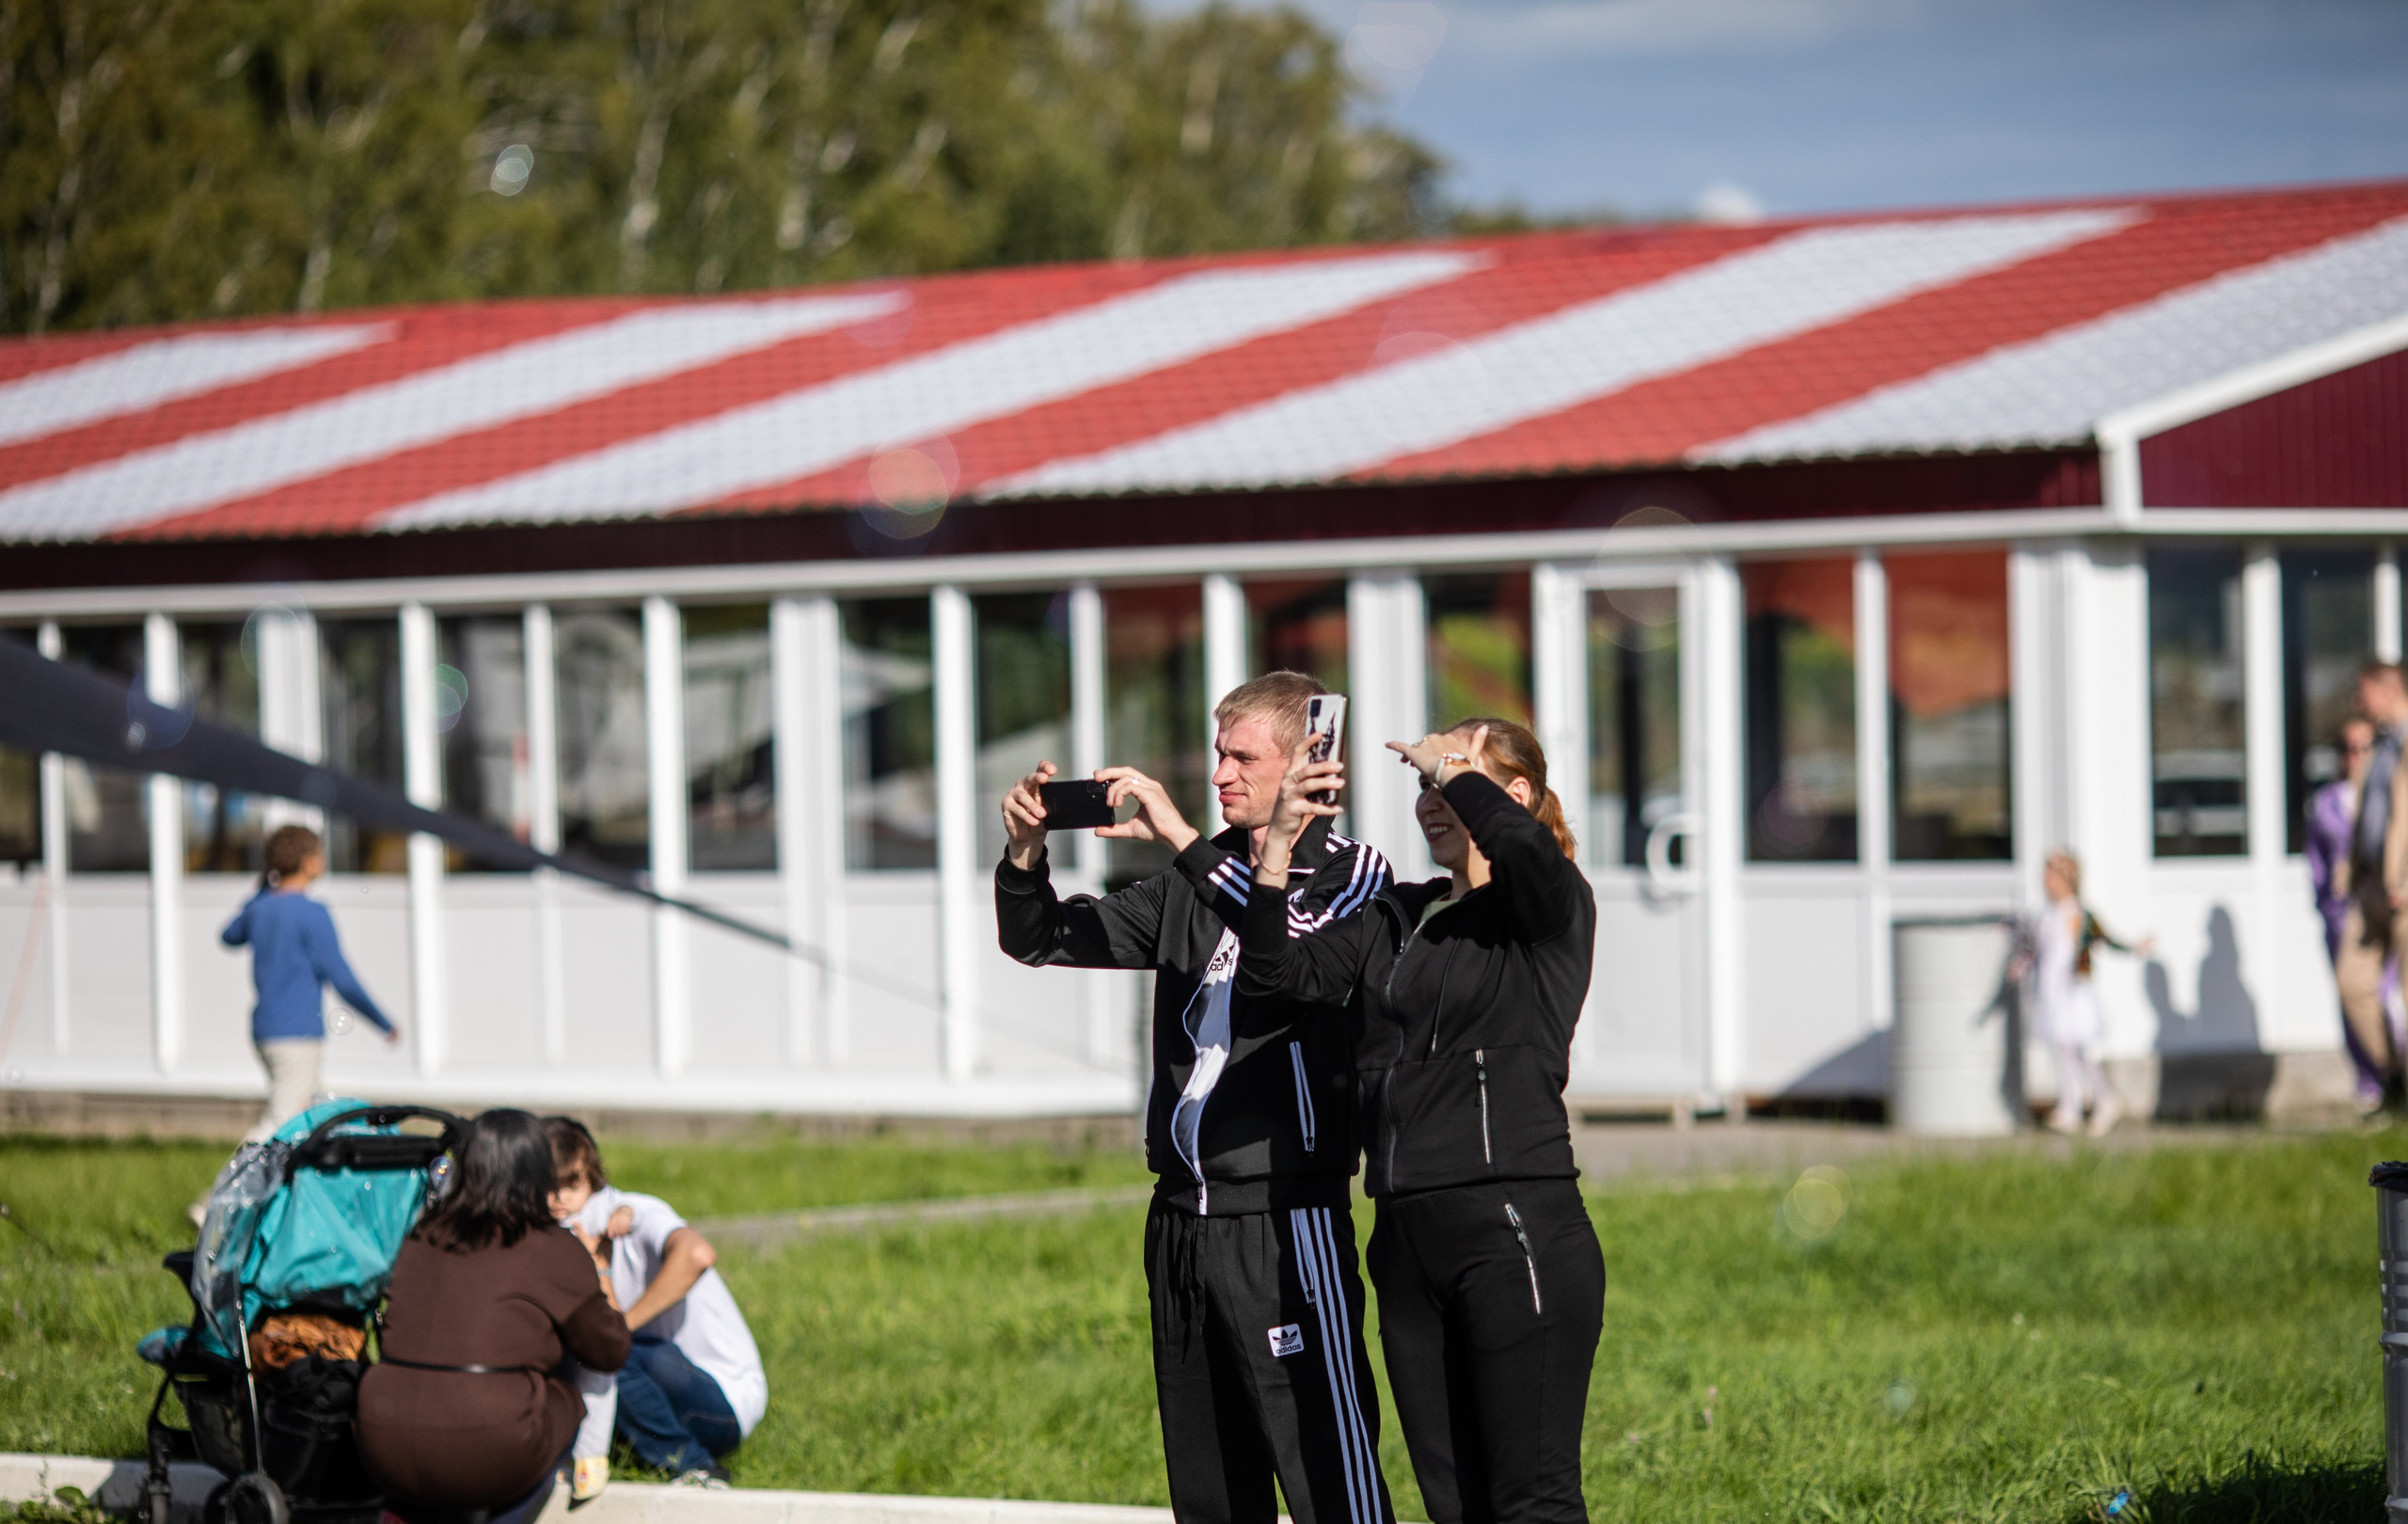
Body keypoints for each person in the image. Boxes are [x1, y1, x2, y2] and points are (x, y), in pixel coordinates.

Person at [995, 670, 1396, 1524]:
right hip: (1180, 1220)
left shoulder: (1355, 875)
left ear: (1308, 765)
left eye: (1244, 758)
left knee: (1329, 1477)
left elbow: (1282, 959)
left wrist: (1178, 835)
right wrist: (1024, 855)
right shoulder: (1190, 882)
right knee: (1209, 1490)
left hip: (1283, 1220)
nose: (1220, 775)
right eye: (1218, 755)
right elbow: (1041, 939)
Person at [1228, 717, 1603, 1524]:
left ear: (1515, 794)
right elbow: (1275, 972)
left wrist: (1453, 766)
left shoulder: (1544, 909)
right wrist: (1278, 848)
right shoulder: (1400, 916)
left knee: (1529, 1500)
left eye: (1449, 779)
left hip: (1512, 1226)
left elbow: (1529, 853)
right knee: (1453, 1502)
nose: (1430, 796)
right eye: (1425, 784)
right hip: (1403, 1236)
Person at [356, 1109, 630, 1524]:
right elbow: (608, 1352)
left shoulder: (420, 1234)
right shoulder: (551, 1246)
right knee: (566, 1399)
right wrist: (602, 1270)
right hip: (488, 1442)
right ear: (540, 1170)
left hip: (380, 1432)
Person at [544, 1117, 766, 1487]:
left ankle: (694, 1466)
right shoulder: (563, 1236)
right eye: (547, 1186)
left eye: (571, 1183)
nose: (558, 1199)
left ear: (594, 1179)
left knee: (604, 1346)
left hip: (722, 1401)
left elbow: (697, 1254)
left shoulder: (629, 1212)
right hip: (661, 1385)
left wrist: (623, 1327)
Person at [219, 823, 401, 1143]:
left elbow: (229, 934)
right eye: (319, 851)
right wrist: (383, 1023)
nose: (323, 858)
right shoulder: (312, 913)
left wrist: (264, 887)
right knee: (279, 1124)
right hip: (296, 1035)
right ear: (307, 862)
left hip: (266, 1031)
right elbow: (342, 979)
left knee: (309, 1116)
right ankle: (229, 1190)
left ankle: (295, 1190)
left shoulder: (261, 908)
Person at [2306, 716, 2397, 1111]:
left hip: (2386, 905)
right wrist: (2328, 906)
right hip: (2345, 914)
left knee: (2392, 997)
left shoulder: (2388, 792)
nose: (2355, 756)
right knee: (2353, 993)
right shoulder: (2326, 803)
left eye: (2363, 748)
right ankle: (2373, 1080)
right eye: (2347, 748)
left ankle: (2396, 1075)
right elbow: (2316, 864)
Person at [2024, 849, 2147, 1135]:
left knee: (2076, 1049)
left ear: (2066, 879)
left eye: (2051, 876)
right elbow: (2037, 951)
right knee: (2064, 1050)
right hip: (2053, 991)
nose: (2046, 882)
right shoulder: (2046, 915)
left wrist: (2134, 948)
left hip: (2073, 992)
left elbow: (2105, 939)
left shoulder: (2078, 915)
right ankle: (2071, 1106)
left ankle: (2103, 1099)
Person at [2340, 659, 2408, 1106]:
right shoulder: (2380, 744)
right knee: (2352, 983)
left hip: (2405, 888)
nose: (2358, 702)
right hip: (2370, 887)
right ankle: (2395, 1078)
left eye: (2363, 692)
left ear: (2387, 690)